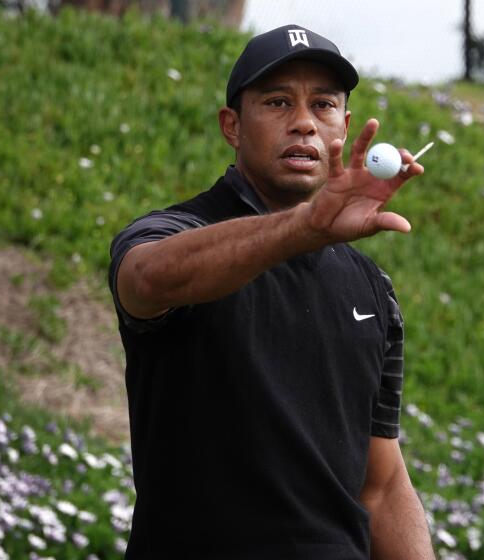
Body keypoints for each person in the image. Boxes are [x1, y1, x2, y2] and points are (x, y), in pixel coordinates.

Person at [108, 23, 435, 560]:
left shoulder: (372, 288)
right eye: (278, 102)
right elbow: (146, 280)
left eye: (323, 105)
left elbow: (381, 484)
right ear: (232, 126)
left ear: (345, 126)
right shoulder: (170, 235)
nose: (304, 123)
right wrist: (304, 227)